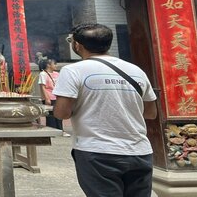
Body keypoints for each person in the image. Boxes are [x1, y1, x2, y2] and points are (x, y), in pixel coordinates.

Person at [53, 23, 158, 197]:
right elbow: (150, 113)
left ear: (77, 45)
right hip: (139, 152)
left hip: (97, 152)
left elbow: (62, 113)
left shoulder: (72, 71)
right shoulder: (136, 71)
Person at [38, 58, 69, 136]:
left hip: (57, 97)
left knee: (59, 114)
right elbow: (43, 87)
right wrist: (47, 98)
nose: (56, 65)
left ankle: (60, 130)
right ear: (48, 65)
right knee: (50, 115)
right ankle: (51, 130)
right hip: (49, 96)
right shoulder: (43, 74)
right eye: (54, 64)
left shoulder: (57, 74)